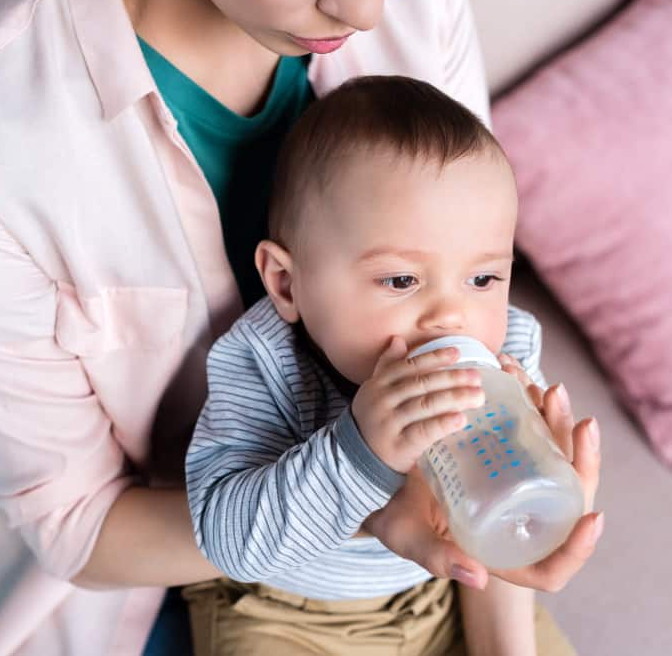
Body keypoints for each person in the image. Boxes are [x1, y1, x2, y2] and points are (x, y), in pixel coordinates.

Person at [0, 0, 602, 653]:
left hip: (440, 573)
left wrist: (504, 549)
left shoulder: (415, 6)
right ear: (280, 280)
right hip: (209, 594)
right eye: (401, 279)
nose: (368, 12)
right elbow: (82, 523)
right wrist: (365, 507)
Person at [183, 75, 586, 656]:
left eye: (483, 278)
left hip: (440, 592)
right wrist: (359, 455)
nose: (452, 316)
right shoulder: (263, 361)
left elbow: (508, 520)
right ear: (286, 284)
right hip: (285, 614)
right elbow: (227, 543)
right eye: (401, 280)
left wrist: (544, 485)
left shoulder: (508, 352)